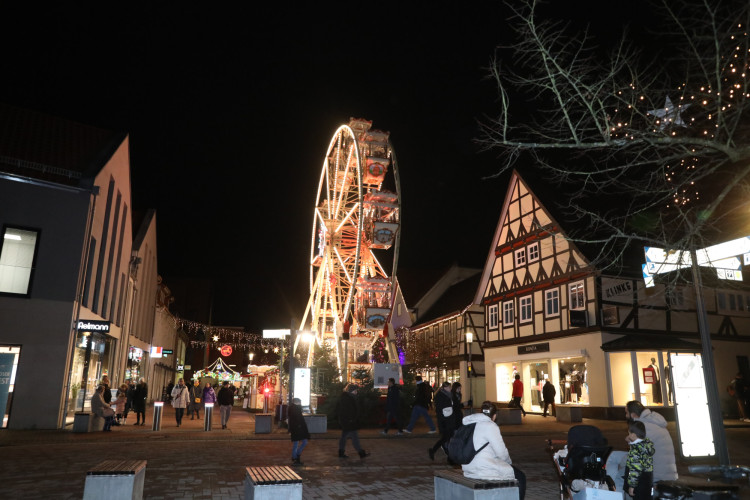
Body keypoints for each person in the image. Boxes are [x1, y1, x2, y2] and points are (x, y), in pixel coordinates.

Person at [462, 401, 526, 500]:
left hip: (468, 467)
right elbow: (502, 453)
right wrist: (508, 463)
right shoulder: (490, 426)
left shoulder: (469, 423)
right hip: (483, 469)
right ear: (494, 416)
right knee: (521, 477)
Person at [625, 401, 678, 482]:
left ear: (633, 415)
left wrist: (630, 440)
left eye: (626, 413)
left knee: (620, 466)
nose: (626, 416)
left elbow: (636, 454)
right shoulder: (655, 421)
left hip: (656, 474)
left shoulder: (642, 426)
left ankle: (618, 492)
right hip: (670, 472)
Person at [337, 383, 370, 459]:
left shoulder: (348, 397)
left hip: (348, 421)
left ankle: (341, 453)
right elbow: (347, 411)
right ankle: (361, 453)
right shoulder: (348, 398)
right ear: (351, 391)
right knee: (354, 438)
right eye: (355, 391)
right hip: (349, 422)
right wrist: (351, 419)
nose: (356, 392)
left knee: (345, 437)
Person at [625, 420, 655, 500]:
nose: (628, 435)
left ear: (633, 435)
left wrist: (632, 486)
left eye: (629, 433)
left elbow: (635, 469)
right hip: (648, 480)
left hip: (639, 483)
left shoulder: (635, 451)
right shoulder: (646, 446)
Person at [429, 381, 458, 461]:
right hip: (444, 421)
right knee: (446, 438)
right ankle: (436, 451)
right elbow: (440, 410)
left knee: (447, 438)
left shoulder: (449, 395)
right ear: (445, 388)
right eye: (449, 387)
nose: (450, 389)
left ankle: (446, 453)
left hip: (450, 419)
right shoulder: (440, 396)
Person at [288, 397, 310, 465]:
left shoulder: (293, 409)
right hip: (299, 430)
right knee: (302, 442)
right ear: (297, 403)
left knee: (297, 444)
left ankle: (296, 456)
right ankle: (296, 457)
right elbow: (299, 421)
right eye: (300, 402)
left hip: (297, 430)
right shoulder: (296, 410)